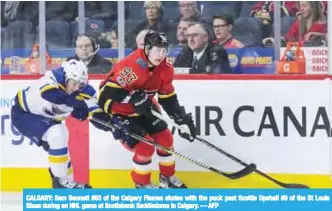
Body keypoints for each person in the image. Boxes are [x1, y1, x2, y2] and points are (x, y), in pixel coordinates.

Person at [97, 30, 197, 189]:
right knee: (145, 148)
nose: (161, 54)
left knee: (166, 140)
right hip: (120, 112)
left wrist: (180, 117)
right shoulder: (131, 65)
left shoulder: (165, 68)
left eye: (164, 50)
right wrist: (131, 97)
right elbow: (105, 93)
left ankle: (167, 178)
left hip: (144, 109)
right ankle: (141, 183)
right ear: (147, 49)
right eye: (157, 49)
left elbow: (167, 96)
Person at [10, 59, 105, 189]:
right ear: (66, 77)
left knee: (61, 142)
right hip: (24, 114)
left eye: (80, 85)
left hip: (48, 118)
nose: (76, 88)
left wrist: (117, 128)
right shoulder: (52, 77)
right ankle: (60, 182)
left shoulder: (87, 92)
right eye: (73, 83)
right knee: (57, 133)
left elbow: (97, 114)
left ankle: (67, 183)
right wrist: (74, 102)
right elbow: (49, 94)